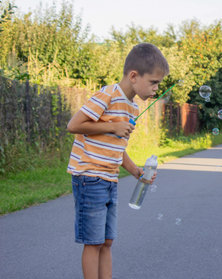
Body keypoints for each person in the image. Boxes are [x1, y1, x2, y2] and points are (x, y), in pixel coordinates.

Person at [66, 43, 169, 279]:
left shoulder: (132, 108)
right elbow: (74, 125)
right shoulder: (108, 94)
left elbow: (116, 148)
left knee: (107, 241)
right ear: (134, 76)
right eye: (153, 82)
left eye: (158, 84)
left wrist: (137, 172)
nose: (156, 89)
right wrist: (113, 126)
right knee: (93, 242)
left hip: (109, 179)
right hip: (89, 177)